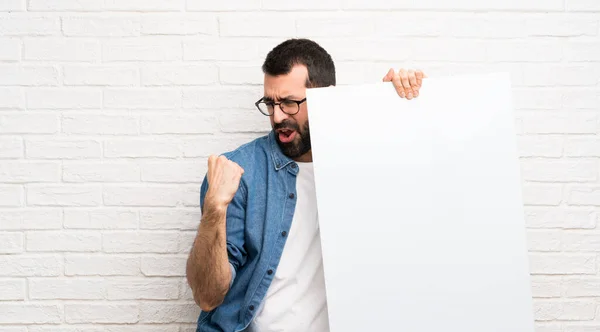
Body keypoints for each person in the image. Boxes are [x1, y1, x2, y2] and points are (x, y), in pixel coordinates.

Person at [186, 38, 426, 332]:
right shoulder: (238, 173)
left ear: (327, 96)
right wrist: (214, 210)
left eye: (289, 102)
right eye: (270, 103)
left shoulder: (361, 164)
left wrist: (395, 104)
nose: (277, 117)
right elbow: (208, 296)